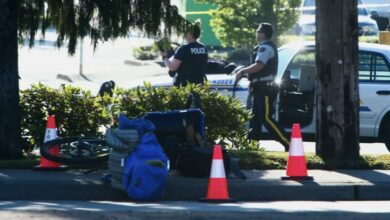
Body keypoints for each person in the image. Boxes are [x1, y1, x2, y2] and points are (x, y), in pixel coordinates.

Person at [235, 23, 290, 151]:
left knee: (266, 118)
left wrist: (242, 71)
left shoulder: (265, 48)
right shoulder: (262, 47)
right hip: (259, 87)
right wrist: (252, 82)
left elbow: (259, 65)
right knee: (255, 119)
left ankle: (289, 143)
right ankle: (251, 147)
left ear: (263, 33)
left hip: (265, 89)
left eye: (258, 31)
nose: (256, 33)